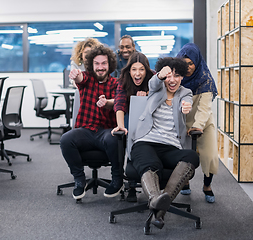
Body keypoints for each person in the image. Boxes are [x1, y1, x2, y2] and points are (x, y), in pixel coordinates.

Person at [128, 57, 200, 229]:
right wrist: (160, 75)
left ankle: (158, 207)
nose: (172, 80)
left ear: (182, 77)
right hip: (146, 140)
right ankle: (157, 203)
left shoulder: (185, 93)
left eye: (177, 76)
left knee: (192, 156)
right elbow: (153, 83)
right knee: (150, 163)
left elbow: (187, 101)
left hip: (171, 146)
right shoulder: (156, 88)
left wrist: (186, 107)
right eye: (169, 75)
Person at [60, 45, 123, 200]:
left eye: (104, 63)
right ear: (91, 65)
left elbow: (120, 101)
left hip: (106, 131)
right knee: (66, 139)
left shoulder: (117, 83)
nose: (100, 67)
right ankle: (79, 179)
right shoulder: (87, 79)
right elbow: (80, 78)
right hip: (86, 131)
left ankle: (117, 179)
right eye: (97, 64)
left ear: (110, 65)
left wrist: (108, 102)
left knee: (115, 137)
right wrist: (76, 75)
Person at [176, 43, 219, 203]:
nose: (187, 67)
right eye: (184, 63)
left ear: (197, 62)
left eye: (191, 63)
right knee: (183, 157)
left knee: (210, 156)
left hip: (204, 123)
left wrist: (198, 126)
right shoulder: (176, 79)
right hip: (182, 123)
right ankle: (185, 182)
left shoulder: (204, 78)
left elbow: (205, 107)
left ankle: (207, 186)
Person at [112, 52, 154, 135]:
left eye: (141, 69)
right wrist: (120, 126)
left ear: (146, 70)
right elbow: (120, 104)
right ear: (129, 71)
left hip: (151, 116)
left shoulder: (153, 78)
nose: (137, 73)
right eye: (134, 69)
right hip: (131, 116)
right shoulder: (124, 81)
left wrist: (147, 95)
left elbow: (160, 93)